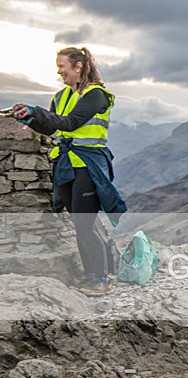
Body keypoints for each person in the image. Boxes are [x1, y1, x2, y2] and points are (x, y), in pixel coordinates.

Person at [11, 46, 126, 297]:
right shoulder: (61, 96)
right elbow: (54, 128)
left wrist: (36, 111)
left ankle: (102, 279)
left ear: (79, 67)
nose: (59, 71)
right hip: (66, 164)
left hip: (88, 165)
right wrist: (29, 118)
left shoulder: (97, 95)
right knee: (79, 223)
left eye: (62, 66)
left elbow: (72, 122)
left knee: (85, 225)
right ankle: (91, 275)